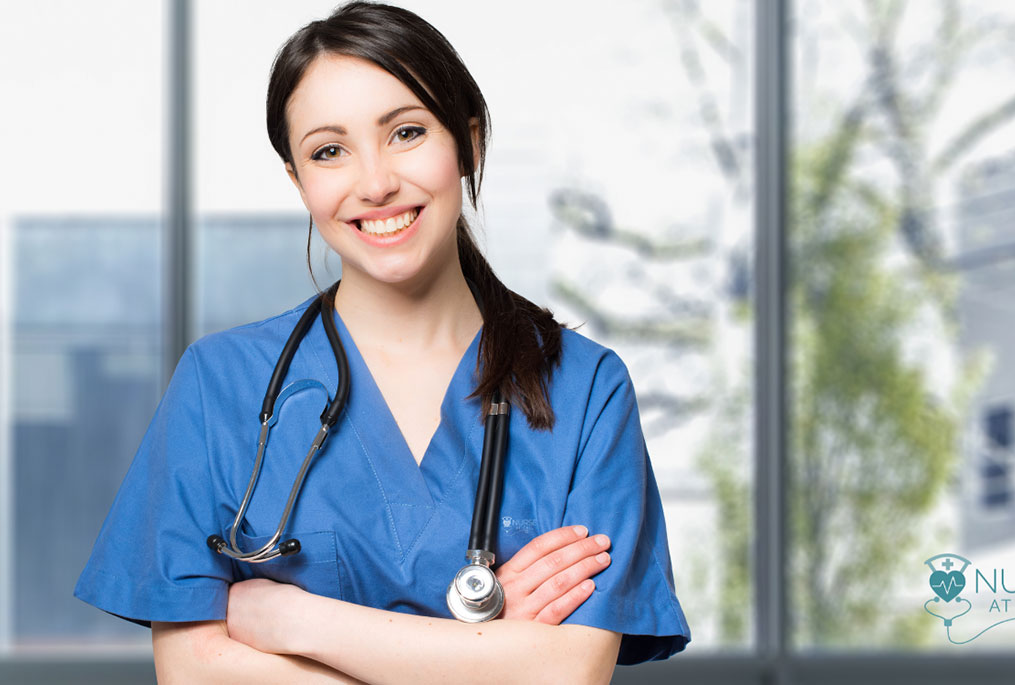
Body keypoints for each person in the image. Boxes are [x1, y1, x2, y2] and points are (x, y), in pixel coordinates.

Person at [74, 2, 689, 681]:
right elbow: (193, 670)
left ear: (470, 142)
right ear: (298, 181)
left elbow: (569, 672)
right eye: (329, 151)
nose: (374, 183)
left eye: (406, 132)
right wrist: (486, 653)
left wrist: (297, 622)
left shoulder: (584, 390)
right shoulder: (220, 385)